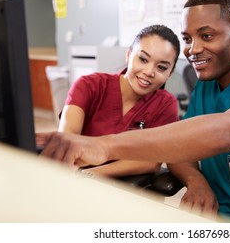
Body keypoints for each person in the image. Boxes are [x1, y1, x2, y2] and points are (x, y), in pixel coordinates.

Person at [37, 0, 230, 222]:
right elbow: (182, 145)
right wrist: (196, 180)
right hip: (218, 218)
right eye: (188, 39)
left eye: (206, 36)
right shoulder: (207, 85)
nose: (193, 50)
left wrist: (105, 145)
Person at [57, 24, 181, 178]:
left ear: (170, 73)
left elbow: (150, 162)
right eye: (143, 59)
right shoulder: (89, 86)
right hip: (73, 179)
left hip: (124, 190)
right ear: (128, 55)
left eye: (161, 67)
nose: (149, 72)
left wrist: (90, 175)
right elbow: (67, 142)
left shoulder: (165, 105)